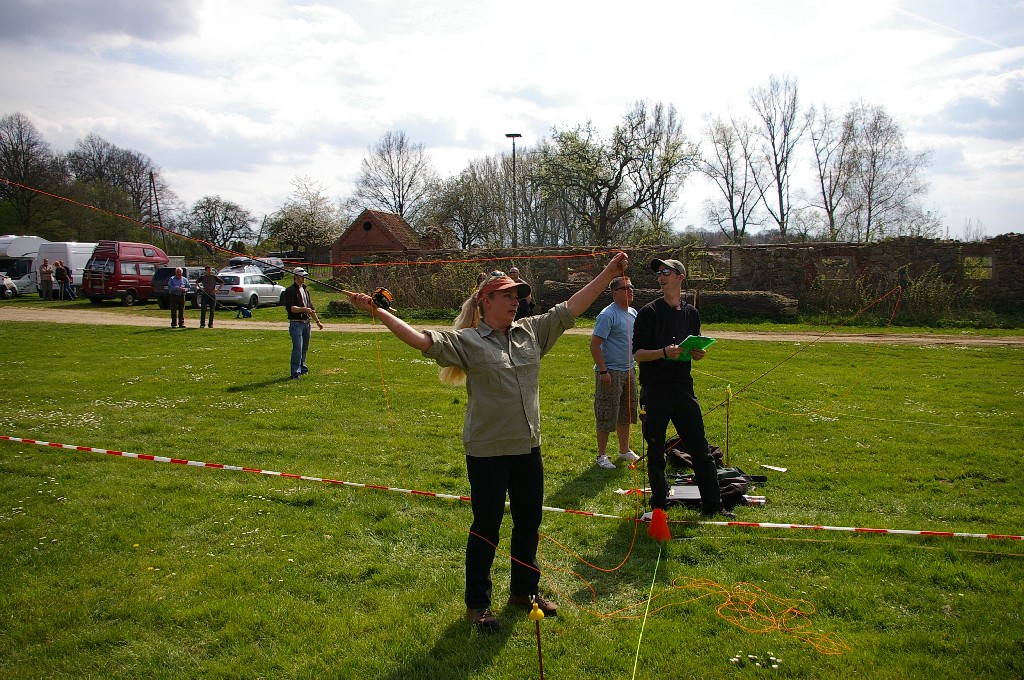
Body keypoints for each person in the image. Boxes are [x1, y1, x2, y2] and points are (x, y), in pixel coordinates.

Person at [346, 252, 629, 632]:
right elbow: (421, 340)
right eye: (508, 295)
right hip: (487, 450)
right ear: (486, 301)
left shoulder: (532, 331)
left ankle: (524, 592)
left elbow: (570, 308)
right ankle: (478, 603)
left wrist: (607, 273)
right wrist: (378, 312)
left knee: (529, 522)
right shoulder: (467, 341)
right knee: (487, 526)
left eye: (518, 296)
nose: (516, 301)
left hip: (528, 446)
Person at [632, 258, 732, 520]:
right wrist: (664, 352)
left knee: (699, 448)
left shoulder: (691, 313)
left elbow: (691, 346)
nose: (661, 276)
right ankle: (659, 504)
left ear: (680, 278)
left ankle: (713, 505)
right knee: (655, 451)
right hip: (655, 389)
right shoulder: (648, 313)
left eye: (667, 272)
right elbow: (638, 354)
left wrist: (695, 353)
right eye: (659, 273)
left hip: (683, 388)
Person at [590, 276, 639, 469]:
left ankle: (624, 450)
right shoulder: (607, 315)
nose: (630, 290)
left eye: (632, 287)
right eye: (626, 288)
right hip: (610, 371)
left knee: (626, 412)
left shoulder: (633, 312)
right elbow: (594, 345)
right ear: (615, 292)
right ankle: (601, 456)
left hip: (629, 370)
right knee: (606, 413)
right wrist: (603, 371)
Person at [282, 267, 323, 379]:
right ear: (296, 276)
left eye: (305, 275)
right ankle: (295, 373)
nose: (304, 278)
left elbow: (311, 308)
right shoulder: (290, 291)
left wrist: (318, 321)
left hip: (307, 323)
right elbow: (291, 308)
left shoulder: (305, 290)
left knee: (304, 348)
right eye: (302, 276)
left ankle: (303, 369)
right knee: (298, 348)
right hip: (296, 324)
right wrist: (303, 309)